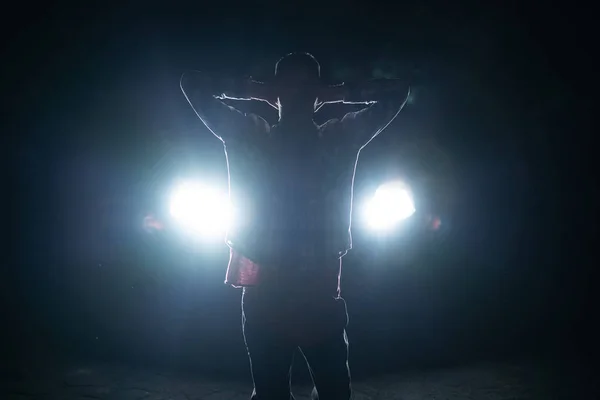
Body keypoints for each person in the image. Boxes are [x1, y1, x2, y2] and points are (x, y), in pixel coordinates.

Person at [181, 52, 410, 400]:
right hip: (285, 289)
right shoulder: (330, 138)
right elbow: (397, 92)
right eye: (293, 86)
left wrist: (259, 90)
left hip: (293, 290)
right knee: (309, 391)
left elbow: (193, 84)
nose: (298, 93)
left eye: (305, 87)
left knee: (300, 391)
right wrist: (329, 92)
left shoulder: (255, 135)